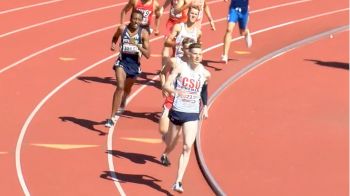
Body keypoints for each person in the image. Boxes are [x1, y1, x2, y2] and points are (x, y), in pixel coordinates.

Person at [160, 43, 210, 193]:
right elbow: (166, 85)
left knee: (188, 146)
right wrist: (174, 91)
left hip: (192, 113)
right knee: (172, 142)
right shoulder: (180, 68)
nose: (197, 56)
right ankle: (165, 153)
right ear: (189, 54)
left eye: (199, 54)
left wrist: (205, 107)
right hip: (177, 110)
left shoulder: (205, 74)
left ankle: (178, 181)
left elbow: (204, 91)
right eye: (194, 53)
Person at [105, 10, 150, 128]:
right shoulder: (122, 29)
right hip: (122, 62)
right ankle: (111, 118)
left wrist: (139, 46)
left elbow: (148, 54)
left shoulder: (143, 33)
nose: (136, 21)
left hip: (134, 65)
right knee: (119, 86)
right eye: (134, 19)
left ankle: (124, 98)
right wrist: (113, 44)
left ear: (141, 21)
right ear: (130, 18)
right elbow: (115, 37)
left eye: (139, 20)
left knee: (127, 88)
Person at [158, 37, 196, 139]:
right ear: (182, 49)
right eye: (186, 48)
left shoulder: (196, 64)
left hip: (187, 100)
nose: (189, 51)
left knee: (182, 134)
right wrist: (164, 86)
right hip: (172, 97)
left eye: (191, 48)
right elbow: (162, 73)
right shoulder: (175, 61)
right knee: (163, 130)